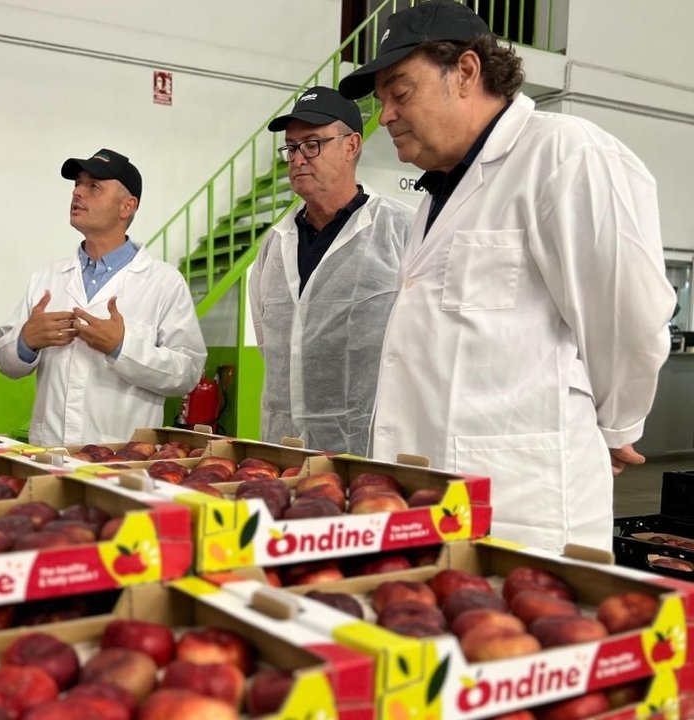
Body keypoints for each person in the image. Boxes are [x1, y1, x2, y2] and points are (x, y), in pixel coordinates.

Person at [338, 0, 674, 551]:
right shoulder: (434, 198)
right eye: (381, 103)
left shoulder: (562, 155)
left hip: (523, 505)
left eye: (400, 93)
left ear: (466, 72)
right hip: (434, 501)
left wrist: (617, 429)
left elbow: (627, 315)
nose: (387, 116)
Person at [0, 149, 206, 445]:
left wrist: (122, 347)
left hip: (124, 457)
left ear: (127, 206)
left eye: (93, 186)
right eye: (77, 184)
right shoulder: (47, 277)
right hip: (50, 455)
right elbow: (6, 362)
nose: (77, 192)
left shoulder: (164, 282)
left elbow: (187, 373)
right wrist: (26, 341)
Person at [248, 87, 412, 453]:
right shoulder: (275, 244)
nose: (297, 159)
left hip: (369, 454)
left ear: (352, 146)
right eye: (290, 148)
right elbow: (270, 343)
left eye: (312, 145)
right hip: (283, 449)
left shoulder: (401, 230)